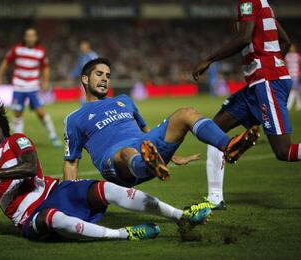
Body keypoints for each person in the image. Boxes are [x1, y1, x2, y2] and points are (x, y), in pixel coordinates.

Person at [0, 100, 212, 241]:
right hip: (31, 218)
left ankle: (182, 216)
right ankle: (123, 234)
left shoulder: (16, 141)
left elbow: (29, 168)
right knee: (54, 218)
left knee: (107, 188)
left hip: (56, 191)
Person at [63, 58, 259, 188]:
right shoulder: (74, 119)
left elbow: (146, 132)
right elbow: (71, 162)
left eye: (108, 76)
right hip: (116, 163)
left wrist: (172, 155)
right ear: (85, 79)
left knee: (185, 113)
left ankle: (228, 146)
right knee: (127, 153)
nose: (105, 79)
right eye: (99, 74)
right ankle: (147, 163)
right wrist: (68, 199)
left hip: (145, 147)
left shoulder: (124, 100)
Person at [192, 0, 301, 209]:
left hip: (267, 81)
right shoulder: (263, 4)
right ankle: (215, 198)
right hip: (259, 83)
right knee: (214, 129)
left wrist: (209, 59)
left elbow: (243, 38)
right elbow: (285, 41)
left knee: (283, 151)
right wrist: (273, 64)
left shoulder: (248, 2)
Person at [0, 27, 61, 148]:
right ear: (25, 37)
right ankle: (20, 142)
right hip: (18, 87)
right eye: (28, 35)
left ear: (36, 37)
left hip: (33, 87)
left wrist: (46, 81)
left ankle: (53, 136)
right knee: (18, 113)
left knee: (41, 112)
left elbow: (46, 67)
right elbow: (6, 61)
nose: (30, 38)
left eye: (32, 35)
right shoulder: (17, 49)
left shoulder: (41, 51)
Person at [285, 45, 301, 111]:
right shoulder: (287, 56)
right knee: (295, 90)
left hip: (295, 74)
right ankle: (299, 104)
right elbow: (285, 65)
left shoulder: (297, 56)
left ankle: (289, 104)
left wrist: (299, 73)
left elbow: (300, 65)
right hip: (289, 74)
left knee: (293, 90)